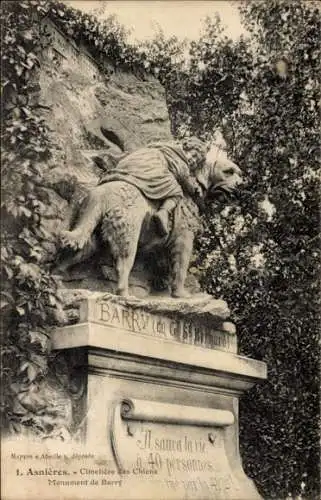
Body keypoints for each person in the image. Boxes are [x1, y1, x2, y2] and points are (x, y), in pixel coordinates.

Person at [98, 136, 209, 236]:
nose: (193, 160)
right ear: (187, 147)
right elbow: (183, 177)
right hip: (152, 169)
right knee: (177, 191)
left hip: (132, 164)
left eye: (197, 160)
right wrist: (194, 189)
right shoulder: (180, 159)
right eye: (194, 155)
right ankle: (163, 212)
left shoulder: (164, 145)